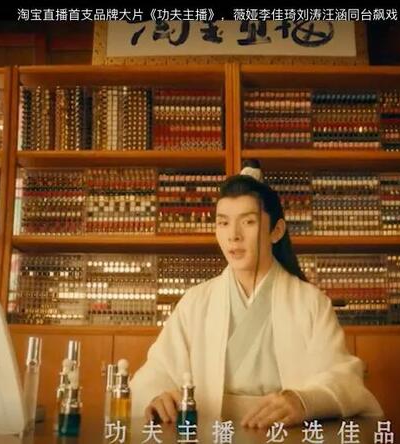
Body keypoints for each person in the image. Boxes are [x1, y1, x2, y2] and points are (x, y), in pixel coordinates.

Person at [129, 160, 383, 429]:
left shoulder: (310, 302)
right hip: (211, 432)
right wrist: (158, 396)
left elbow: (342, 378)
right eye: (223, 223)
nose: (233, 236)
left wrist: (302, 401)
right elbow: (157, 371)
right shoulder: (196, 302)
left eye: (248, 222)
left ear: (277, 231)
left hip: (285, 433)